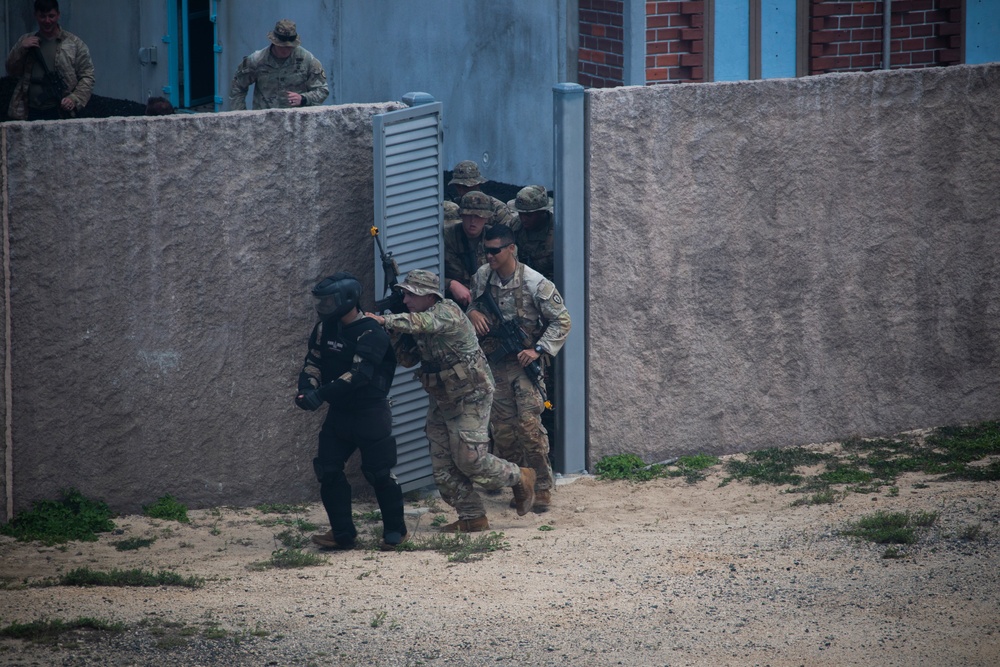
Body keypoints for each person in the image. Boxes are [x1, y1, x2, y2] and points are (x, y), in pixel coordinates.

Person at [368, 270, 536, 532]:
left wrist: (384, 320)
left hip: (471, 394)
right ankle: (472, 516)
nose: (406, 299)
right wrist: (393, 335)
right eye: (404, 294)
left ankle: (520, 476)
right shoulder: (420, 322)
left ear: (429, 296)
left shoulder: (447, 312)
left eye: (411, 294)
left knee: (471, 459)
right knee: (442, 463)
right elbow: (409, 359)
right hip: (443, 396)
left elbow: (422, 323)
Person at [295, 272, 408, 551]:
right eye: (320, 302)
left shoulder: (372, 331)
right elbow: (313, 362)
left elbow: (358, 376)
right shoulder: (325, 328)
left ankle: (396, 531)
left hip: (370, 412)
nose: (323, 307)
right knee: (328, 469)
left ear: (346, 300)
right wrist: (306, 389)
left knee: (379, 472)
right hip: (340, 413)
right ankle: (342, 534)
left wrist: (319, 395)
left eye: (328, 301)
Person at [467, 225, 571, 513]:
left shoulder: (535, 283)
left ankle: (543, 487)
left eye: (495, 251)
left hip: (525, 365)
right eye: (485, 250)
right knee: (503, 432)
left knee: (529, 429)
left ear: (511, 248)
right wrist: (472, 311)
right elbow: (472, 305)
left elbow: (562, 321)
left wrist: (537, 350)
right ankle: (519, 485)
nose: (489, 256)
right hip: (496, 365)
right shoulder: (482, 277)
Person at [5, 0, 94, 121]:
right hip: (28, 111)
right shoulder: (26, 40)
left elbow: (87, 76)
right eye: (42, 16)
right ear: (35, 15)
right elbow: (11, 70)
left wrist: (74, 98)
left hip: (60, 111)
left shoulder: (74, 44)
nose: (47, 21)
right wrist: (21, 48)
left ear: (58, 15)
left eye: (51, 16)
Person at [229, 19, 328, 110]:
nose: (285, 50)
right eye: (282, 46)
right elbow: (238, 87)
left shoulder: (307, 60)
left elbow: (322, 90)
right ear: (274, 42)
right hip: (264, 120)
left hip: (298, 121)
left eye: (289, 47)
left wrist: (303, 98)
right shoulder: (257, 60)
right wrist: (241, 116)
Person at [443, 191, 495, 307]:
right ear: (461, 215)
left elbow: (509, 276)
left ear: (487, 218)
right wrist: (450, 284)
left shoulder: (495, 240)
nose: (473, 221)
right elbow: (426, 276)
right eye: (468, 215)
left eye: (478, 216)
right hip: (450, 302)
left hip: (489, 300)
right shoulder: (445, 238)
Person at [447, 160, 516, 228]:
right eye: (458, 186)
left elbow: (508, 235)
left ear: (477, 184)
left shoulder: (498, 209)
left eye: (466, 186)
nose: (461, 190)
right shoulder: (451, 207)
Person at [508, 185, 555, 282]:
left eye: (529, 215)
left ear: (542, 212)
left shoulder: (558, 233)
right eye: (521, 214)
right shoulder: (515, 226)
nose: (523, 219)